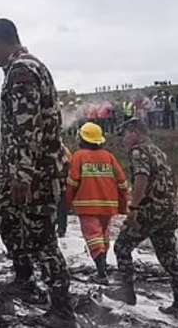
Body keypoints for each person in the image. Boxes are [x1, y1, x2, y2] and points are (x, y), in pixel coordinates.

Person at [0, 18, 76, 326]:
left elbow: (27, 128)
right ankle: (24, 279)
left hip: (35, 173)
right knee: (4, 215)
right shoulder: (23, 68)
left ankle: (62, 309)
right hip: (24, 169)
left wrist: (22, 175)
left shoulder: (22, 71)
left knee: (42, 239)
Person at [106, 118, 178, 322]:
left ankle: (127, 293)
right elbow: (172, 181)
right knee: (169, 258)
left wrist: (133, 209)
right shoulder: (159, 152)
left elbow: (142, 178)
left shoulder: (139, 151)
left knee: (122, 247)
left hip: (148, 211)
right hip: (166, 212)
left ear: (135, 132)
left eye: (125, 134)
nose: (123, 139)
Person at [66, 122, 128, 285]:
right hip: (108, 205)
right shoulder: (109, 157)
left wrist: (66, 203)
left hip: (87, 206)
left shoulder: (79, 156)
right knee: (103, 236)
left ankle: (101, 274)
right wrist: (122, 205)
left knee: (93, 238)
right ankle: (103, 268)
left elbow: (72, 182)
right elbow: (122, 182)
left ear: (83, 138)